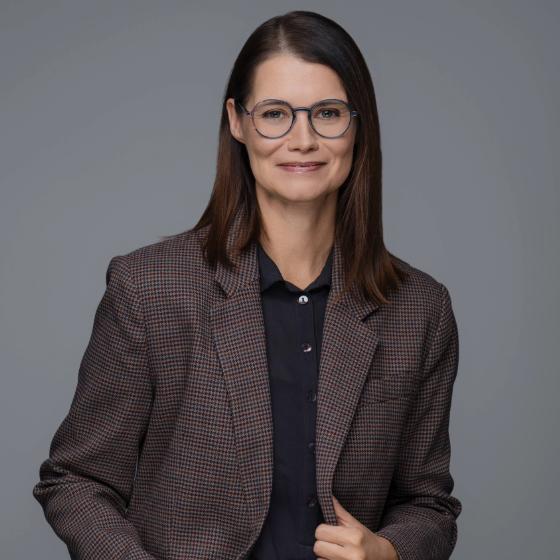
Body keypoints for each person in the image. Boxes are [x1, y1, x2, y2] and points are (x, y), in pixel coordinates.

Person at [32, 10, 462, 560]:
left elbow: (428, 503)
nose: (302, 140)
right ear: (237, 121)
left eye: (328, 113)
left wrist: (390, 552)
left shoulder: (420, 309)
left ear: (359, 125)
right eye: (275, 114)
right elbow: (76, 479)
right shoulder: (149, 288)